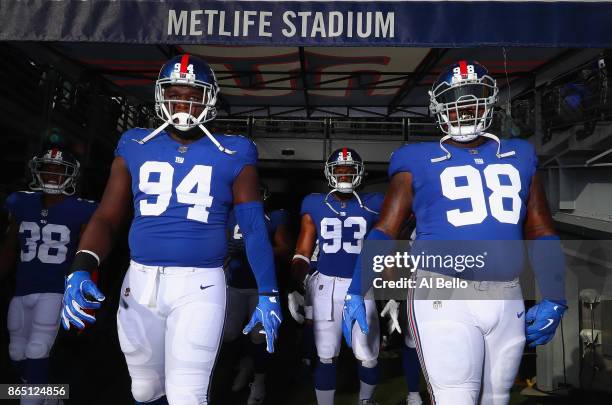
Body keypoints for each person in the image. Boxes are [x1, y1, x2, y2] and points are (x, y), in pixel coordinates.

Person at [59, 54, 282, 405]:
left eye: (193, 95)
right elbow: (106, 216)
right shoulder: (135, 144)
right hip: (141, 279)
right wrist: (81, 266)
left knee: (187, 394)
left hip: (200, 283)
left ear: (209, 99)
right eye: (176, 93)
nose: (184, 103)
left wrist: (268, 293)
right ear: (161, 95)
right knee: (144, 389)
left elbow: (253, 228)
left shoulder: (234, 150)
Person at [342, 60, 567, 405]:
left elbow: (540, 229)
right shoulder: (416, 158)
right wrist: (357, 289)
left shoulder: (519, 154)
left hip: (507, 294)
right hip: (443, 294)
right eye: (456, 100)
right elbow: (386, 230)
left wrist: (554, 294)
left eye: (474, 97)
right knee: (454, 399)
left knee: (497, 399)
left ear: (489, 102)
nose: (466, 107)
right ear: (438, 107)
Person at [1, 148, 97, 405]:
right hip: (22, 289)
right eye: (47, 167)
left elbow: (89, 253)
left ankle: (35, 399)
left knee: (37, 349)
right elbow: (10, 248)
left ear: (71, 174)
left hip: (55, 291)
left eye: (59, 169)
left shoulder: (82, 210)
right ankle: (51, 397)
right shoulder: (20, 203)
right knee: (16, 353)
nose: (52, 174)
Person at [291, 148, 384, 405]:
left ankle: (365, 401)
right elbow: (302, 250)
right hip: (325, 286)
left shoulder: (376, 202)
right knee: (326, 354)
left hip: (361, 284)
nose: (344, 175)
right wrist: (294, 286)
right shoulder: (314, 203)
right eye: (339, 170)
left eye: (350, 169)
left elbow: (386, 244)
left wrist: (393, 292)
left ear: (360, 173)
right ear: (329, 173)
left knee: (368, 355)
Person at [223, 183, 292, 405]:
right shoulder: (229, 215)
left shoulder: (275, 218)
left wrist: (256, 248)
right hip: (233, 283)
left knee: (260, 336)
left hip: (261, 287)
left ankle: (259, 380)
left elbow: (284, 250)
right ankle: (244, 363)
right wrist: (225, 248)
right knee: (228, 333)